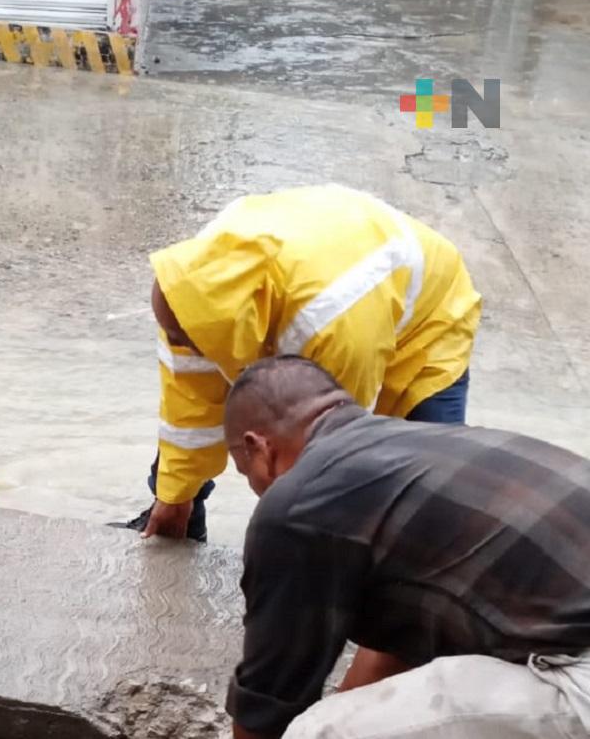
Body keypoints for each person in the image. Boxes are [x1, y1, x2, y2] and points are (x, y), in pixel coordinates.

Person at [222, 355, 590, 739]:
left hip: (580, 677)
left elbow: (269, 702)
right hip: (573, 644)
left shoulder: (298, 503)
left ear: (256, 448)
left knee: (315, 732)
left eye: (245, 472)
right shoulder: (415, 450)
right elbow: (392, 657)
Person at [115, 185, 482, 545]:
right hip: (320, 262)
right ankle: (184, 519)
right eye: (175, 337)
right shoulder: (192, 289)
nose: (180, 347)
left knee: (426, 478)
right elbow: (188, 413)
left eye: (186, 342)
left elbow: (338, 441)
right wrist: (175, 497)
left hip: (425, 317)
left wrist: (296, 535)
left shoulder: (330, 320)